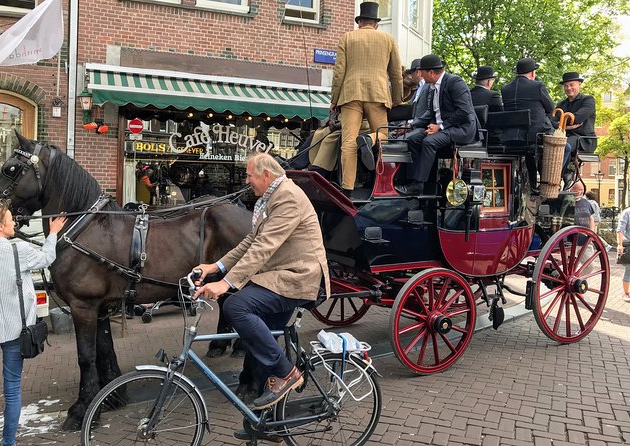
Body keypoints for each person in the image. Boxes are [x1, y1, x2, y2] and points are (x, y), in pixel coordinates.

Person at [193, 153, 330, 418]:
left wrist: (226, 284)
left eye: (249, 175)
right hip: (281, 275)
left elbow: (264, 247)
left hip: (298, 277)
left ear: (266, 175)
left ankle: (287, 372)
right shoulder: (271, 199)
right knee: (261, 342)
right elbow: (250, 242)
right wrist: (215, 267)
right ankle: (273, 425)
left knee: (236, 305)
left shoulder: (287, 197)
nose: (246, 181)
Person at [0, 203, 66, 446]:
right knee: (12, 390)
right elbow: (48, 257)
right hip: (14, 331)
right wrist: (52, 233)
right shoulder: (20, 250)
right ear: (0, 226)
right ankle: (8, 443)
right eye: (10, 220)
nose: (14, 224)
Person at [330, 1, 402, 196]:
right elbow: (396, 74)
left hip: (350, 94)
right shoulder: (388, 39)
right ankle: (369, 141)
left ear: (359, 22)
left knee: (348, 143)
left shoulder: (347, 38)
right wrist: (397, 100)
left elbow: (338, 73)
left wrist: (334, 100)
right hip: (378, 95)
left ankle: (347, 188)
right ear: (376, 23)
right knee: (383, 136)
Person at [401, 54, 481, 195]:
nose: (421, 76)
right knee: (413, 139)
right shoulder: (432, 87)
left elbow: (464, 111)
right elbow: (431, 116)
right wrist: (411, 126)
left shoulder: (455, 83)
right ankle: (413, 180)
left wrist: (441, 126)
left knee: (429, 142)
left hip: (461, 128)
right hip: (442, 128)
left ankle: (419, 185)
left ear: (431, 72)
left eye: (423, 72)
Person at [501, 57, 567, 193]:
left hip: (511, 137)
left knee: (530, 151)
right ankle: (553, 181)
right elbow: (550, 108)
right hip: (534, 135)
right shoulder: (537, 86)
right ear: (532, 73)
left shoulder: (505, 89)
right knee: (566, 147)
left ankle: (532, 182)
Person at [557, 72, 597, 185]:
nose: (568, 88)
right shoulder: (561, 104)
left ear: (579, 84)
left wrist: (562, 123)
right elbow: (550, 121)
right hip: (566, 136)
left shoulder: (588, 100)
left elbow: (577, 118)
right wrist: (568, 126)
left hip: (583, 139)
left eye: (571, 85)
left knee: (564, 145)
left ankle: (564, 173)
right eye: (566, 86)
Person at [617, 205, 630, 302]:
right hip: (629, 243)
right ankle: (625, 293)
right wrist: (619, 244)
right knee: (629, 270)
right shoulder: (627, 212)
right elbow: (620, 229)